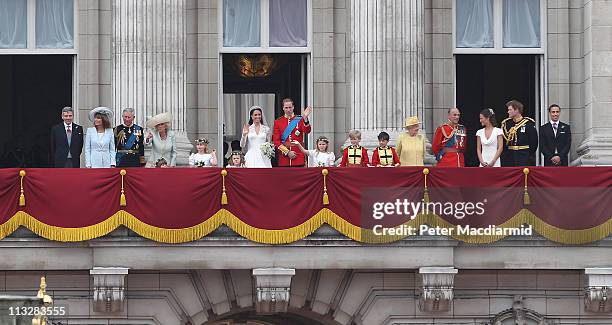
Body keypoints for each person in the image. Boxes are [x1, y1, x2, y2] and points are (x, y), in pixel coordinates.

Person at [272, 98, 312, 167]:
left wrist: (305, 118)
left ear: (293, 107)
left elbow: (307, 131)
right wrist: (287, 152)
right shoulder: (278, 122)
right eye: (286, 108)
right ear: (283, 108)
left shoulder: (299, 119)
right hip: (284, 159)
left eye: (290, 107)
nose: (288, 110)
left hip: (298, 156)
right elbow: (276, 141)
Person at [501, 100, 538, 166]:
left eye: (510, 110)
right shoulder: (507, 123)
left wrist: (528, 155)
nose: (508, 112)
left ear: (517, 110)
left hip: (523, 157)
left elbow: (534, 142)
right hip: (510, 157)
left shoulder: (528, 123)